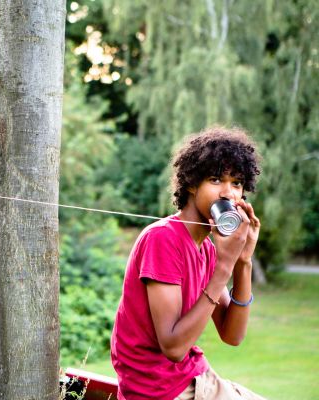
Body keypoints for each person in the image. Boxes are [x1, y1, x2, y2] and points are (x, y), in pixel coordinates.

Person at [110, 127, 267, 400]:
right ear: (192, 183)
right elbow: (172, 348)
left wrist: (243, 261)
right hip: (158, 389)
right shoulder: (163, 239)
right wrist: (224, 267)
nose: (228, 194)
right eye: (216, 179)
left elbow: (233, 335)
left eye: (237, 183)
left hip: (191, 375)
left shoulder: (206, 248)